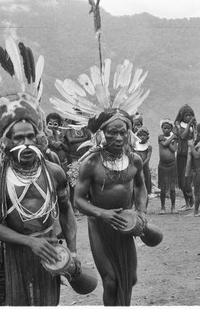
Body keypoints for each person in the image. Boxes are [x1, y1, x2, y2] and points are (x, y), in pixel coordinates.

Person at [0, 93, 78, 306]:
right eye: (19, 138)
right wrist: (29, 242)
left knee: (48, 303)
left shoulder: (54, 172)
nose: (26, 143)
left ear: (39, 138)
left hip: (50, 247)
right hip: (15, 251)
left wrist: (72, 250)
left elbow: (66, 211)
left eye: (30, 136)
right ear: (6, 142)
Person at [74, 108, 148, 306]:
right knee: (111, 281)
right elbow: (78, 200)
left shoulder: (134, 160)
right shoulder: (90, 163)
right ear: (101, 134)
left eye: (123, 132)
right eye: (112, 132)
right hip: (100, 226)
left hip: (126, 224)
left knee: (130, 279)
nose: (118, 137)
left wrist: (140, 212)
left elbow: (141, 187)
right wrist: (102, 213)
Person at [174, 104, 196, 210]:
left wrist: (194, 127)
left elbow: (196, 138)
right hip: (181, 155)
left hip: (190, 155)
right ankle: (187, 203)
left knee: (188, 180)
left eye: (190, 115)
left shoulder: (194, 126)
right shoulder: (178, 124)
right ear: (182, 116)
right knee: (181, 181)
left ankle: (191, 201)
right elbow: (182, 136)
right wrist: (189, 126)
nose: (188, 117)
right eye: (186, 116)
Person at [157, 119, 179, 214]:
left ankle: (173, 207)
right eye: (164, 128)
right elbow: (164, 144)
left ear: (171, 128)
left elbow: (173, 149)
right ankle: (162, 207)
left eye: (168, 128)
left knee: (172, 188)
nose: (166, 130)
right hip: (162, 166)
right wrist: (173, 136)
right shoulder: (160, 137)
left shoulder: (174, 139)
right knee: (163, 188)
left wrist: (172, 139)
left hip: (172, 166)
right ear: (162, 128)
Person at [134, 126, 153, 197]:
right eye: (140, 135)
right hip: (136, 168)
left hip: (144, 168)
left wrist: (141, 165)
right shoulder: (135, 145)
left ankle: (145, 195)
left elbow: (148, 158)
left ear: (147, 137)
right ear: (138, 136)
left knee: (145, 181)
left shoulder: (149, 146)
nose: (142, 137)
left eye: (144, 135)